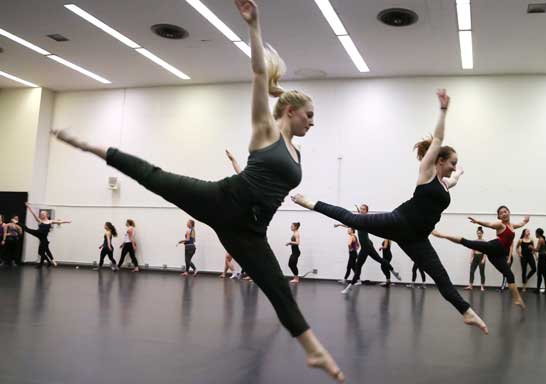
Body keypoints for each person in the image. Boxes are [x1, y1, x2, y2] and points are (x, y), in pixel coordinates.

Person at [50, 1, 344, 378]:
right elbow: (258, 73)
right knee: (154, 177)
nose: (313, 123)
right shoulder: (265, 131)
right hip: (222, 199)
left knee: (277, 287)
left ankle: (315, 351)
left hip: (249, 231)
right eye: (310, 115)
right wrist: (254, 25)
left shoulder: (297, 153)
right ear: (290, 112)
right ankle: (88, 145)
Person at [293, 89, 490, 334]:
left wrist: (459, 173)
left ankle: (467, 312)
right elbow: (438, 140)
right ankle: (310, 203)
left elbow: (454, 181)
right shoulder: (427, 172)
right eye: (452, 163)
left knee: (440, 275)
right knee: (353, 219)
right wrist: (443, 110)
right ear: (440, 160)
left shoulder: (444, 183)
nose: (453, 167)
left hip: (417, 238)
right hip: (400, 221)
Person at [333, 205, 401, 293]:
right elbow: (349, 224)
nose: (361, 210)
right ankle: (349, 287)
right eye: (360, 209)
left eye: (363, 209)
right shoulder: (357, 220)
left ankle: (394, 271)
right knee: (358, 267)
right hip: (364, 248)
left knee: (379, 260)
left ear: (367, 211)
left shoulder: (367, 220)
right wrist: (339, 224)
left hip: (368, 246)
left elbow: (374, 223)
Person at [23, 203, 71, 268]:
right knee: (41, 252)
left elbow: (59, 222)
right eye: (41, 214)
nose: (41, 215)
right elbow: (34, 214)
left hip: (44, 239)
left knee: (44, 251)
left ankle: (52, 261)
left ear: (46, 215)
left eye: (43, 214)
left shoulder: (50, 221)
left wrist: (67, 221)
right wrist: (29, 207)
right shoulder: (40, 221)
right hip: (40, 236)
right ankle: (49, 261)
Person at [465, 227, 486, 291]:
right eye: (478, 233)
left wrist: (484, 259)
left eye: (480, 233)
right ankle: (470, 286)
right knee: (471, 271)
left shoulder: (484, 242)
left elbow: (486, 251)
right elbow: (472, 250)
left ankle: (482, 286)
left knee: (481, 272)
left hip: (481, 257)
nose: (479, 234)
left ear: (482, 234)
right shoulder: (474, 241)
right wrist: (471, 258)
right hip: (475, 257)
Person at [535, 228, 546, 294]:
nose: (535, 234)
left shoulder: (540, 240)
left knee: (543, 274)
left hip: (543, 258)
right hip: (542, 257)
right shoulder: (542, 239)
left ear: (538, 233)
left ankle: (545, 290)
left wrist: (531, 247)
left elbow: (537, 249)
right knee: (539, 274)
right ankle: (538, 289)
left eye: (536, 233)